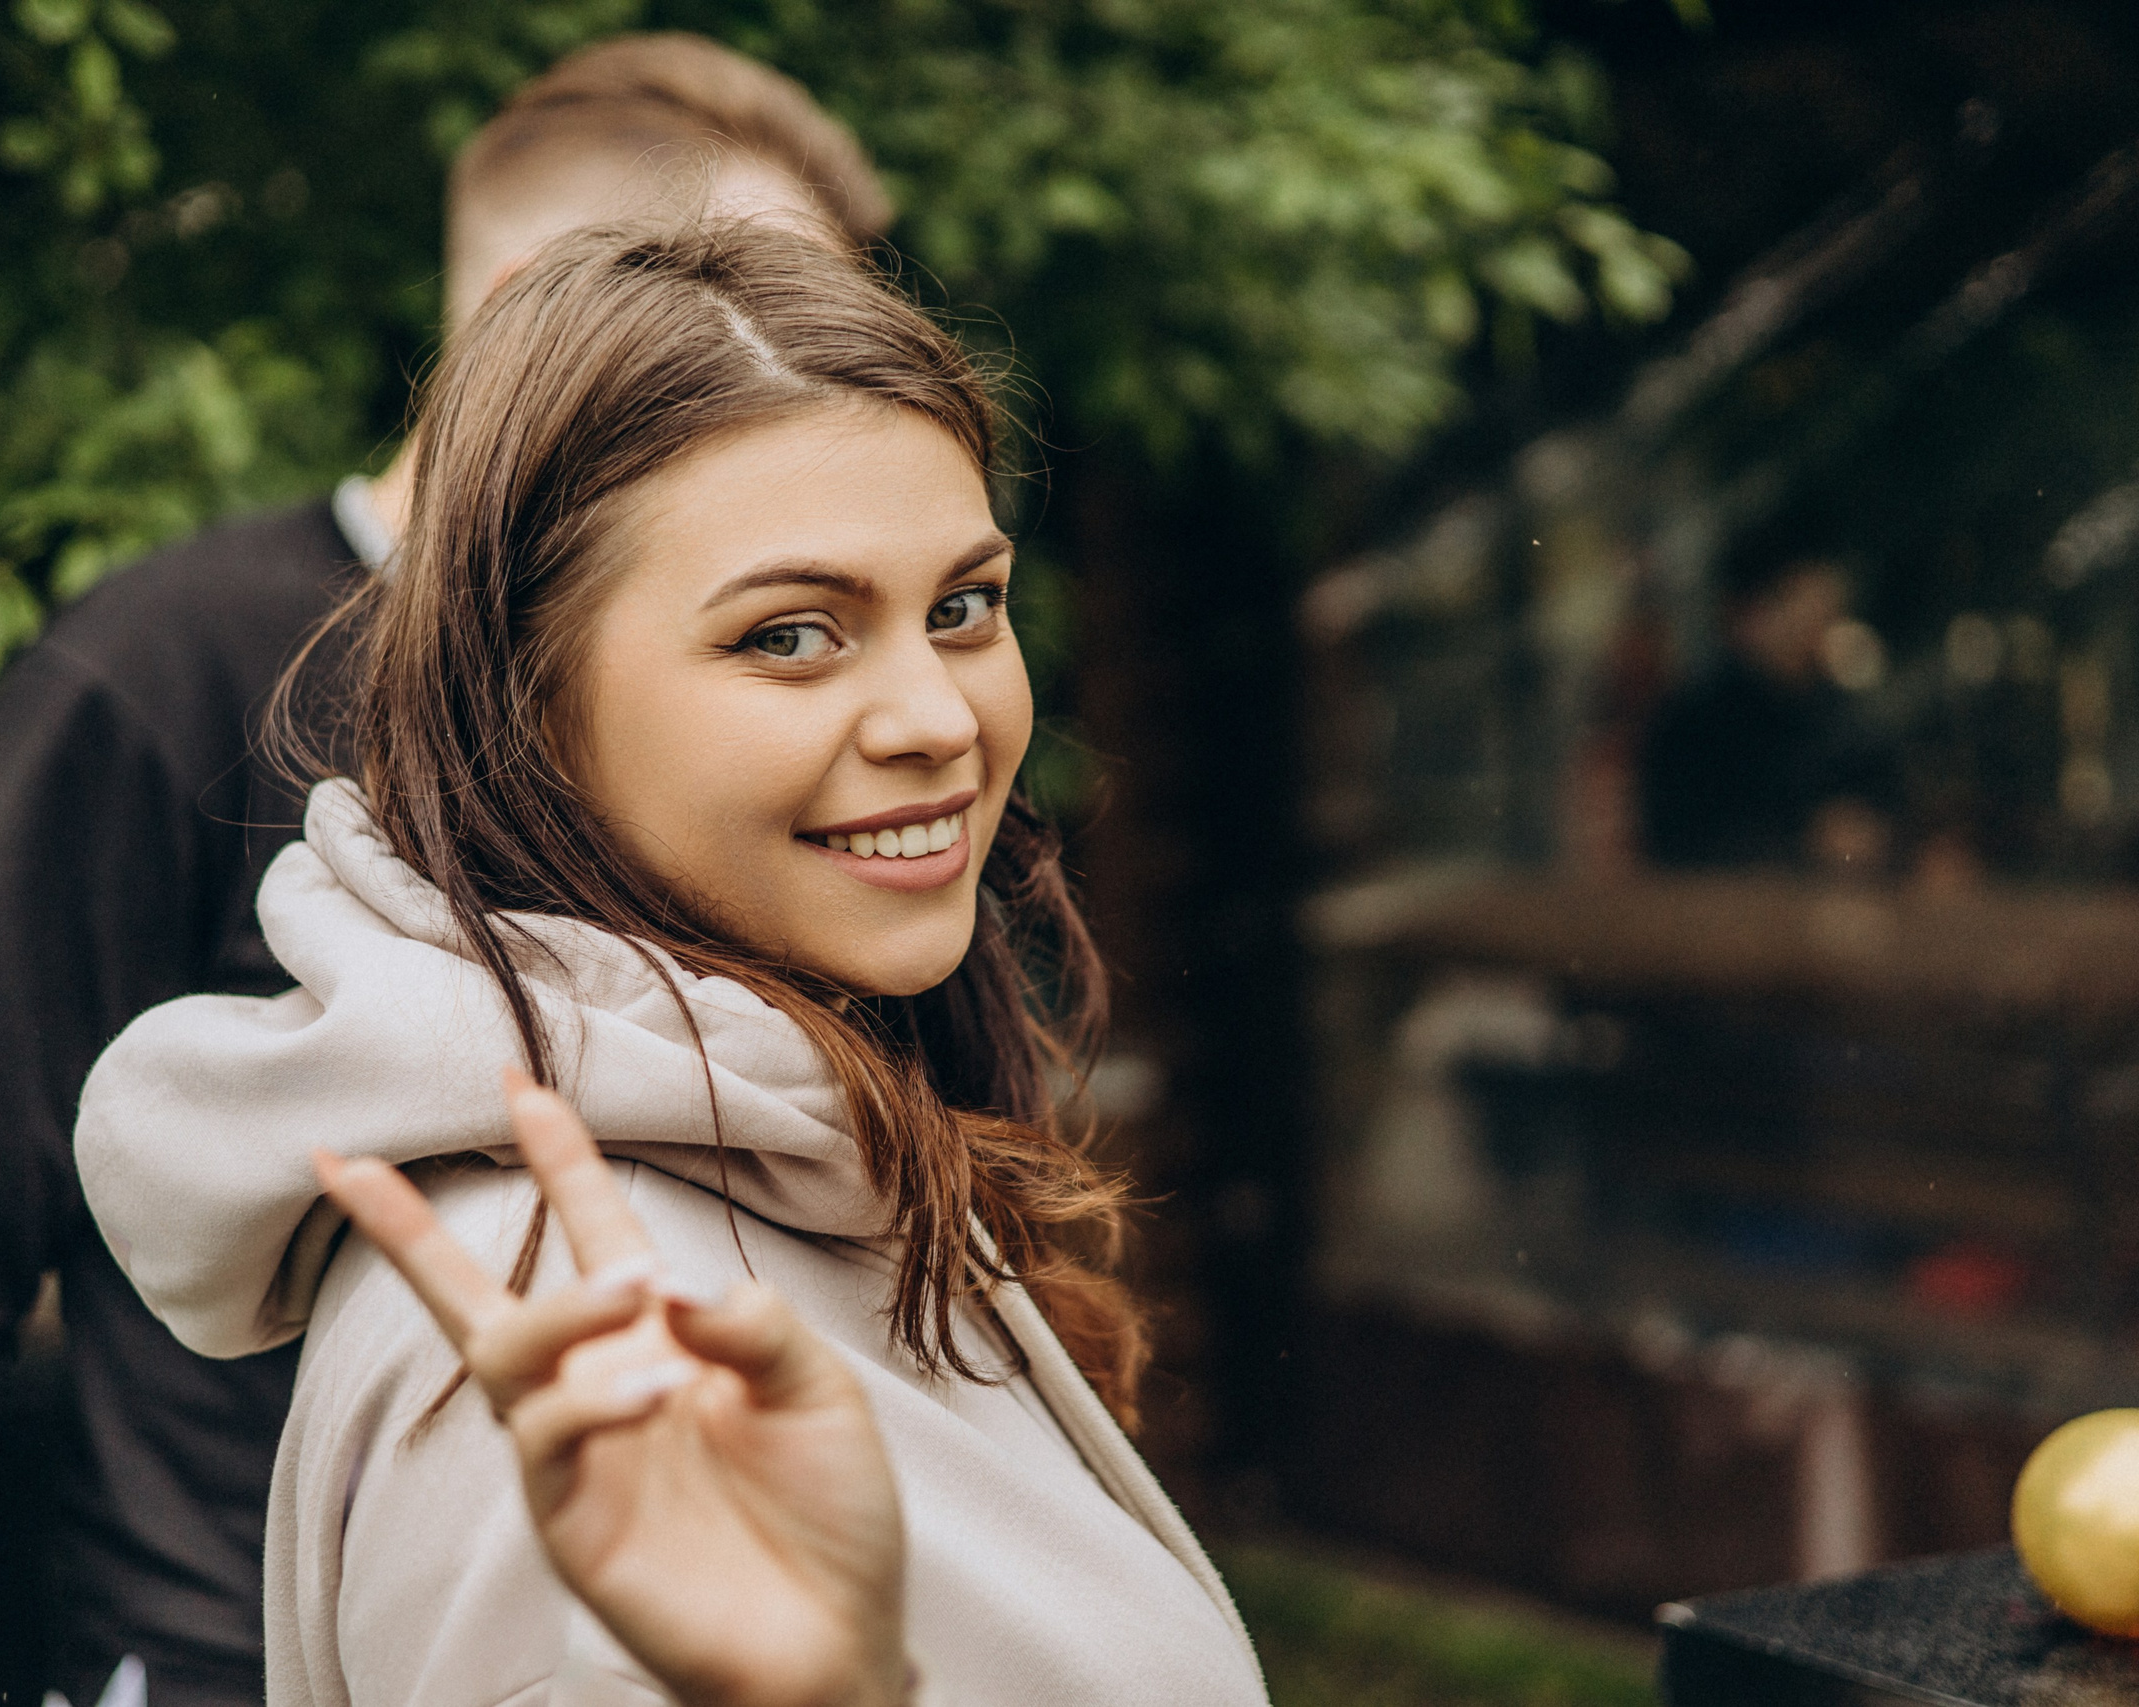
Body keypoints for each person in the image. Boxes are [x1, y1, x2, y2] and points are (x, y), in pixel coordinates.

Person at [0, 39, 889, 1707]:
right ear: (533, 313)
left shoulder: (818, 728)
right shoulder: (169, 670)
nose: (817, 381)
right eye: (740, 313)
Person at [75, 219, 1269, 1705]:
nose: (938, 718)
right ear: (528, 704)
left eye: (963, 606)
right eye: (789, 636)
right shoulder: (568, 1322)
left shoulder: (790, 1135)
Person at [1636, 556, 1900, 873]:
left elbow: (1880, 811)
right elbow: (1677, 841)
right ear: (1750, 612)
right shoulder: (1695, 717)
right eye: (1795, 601)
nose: (1811, 622)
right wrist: (1804, 843)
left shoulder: (1842, 716)